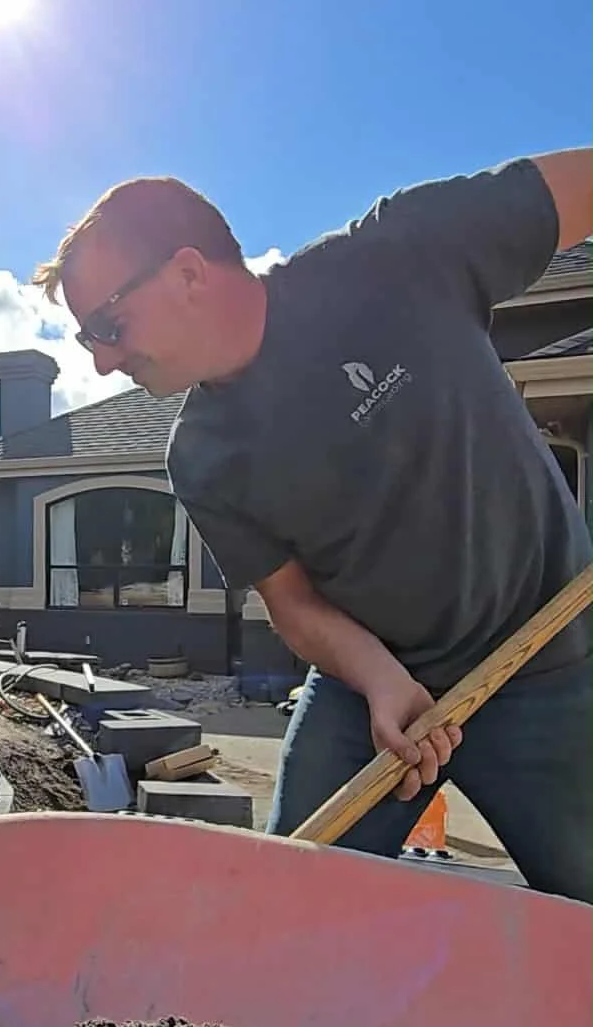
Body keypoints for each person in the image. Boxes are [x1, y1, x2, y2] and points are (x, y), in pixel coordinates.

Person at [34, 152, 593, 901]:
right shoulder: (202, 457)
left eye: (109, 325)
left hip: (550, 671)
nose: (103, 364)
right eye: (87, 341)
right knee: (292, 904)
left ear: (190, 273)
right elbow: (294, 605)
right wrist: (380, 680)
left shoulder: (398, 256)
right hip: (370, 692)